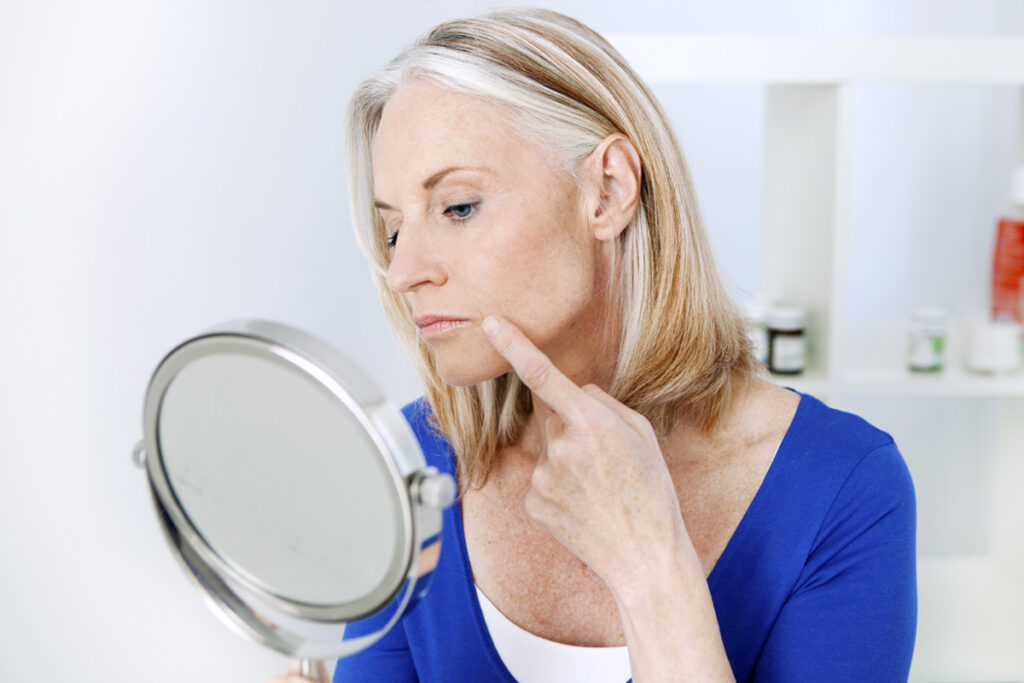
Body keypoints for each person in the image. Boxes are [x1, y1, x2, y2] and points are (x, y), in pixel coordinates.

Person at [273, 8, 916, 682]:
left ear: (607, 190)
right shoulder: (410, 472)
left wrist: (650, 565)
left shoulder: (844, 487)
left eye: (458, 206)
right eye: (394, 229)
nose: (403, 270)